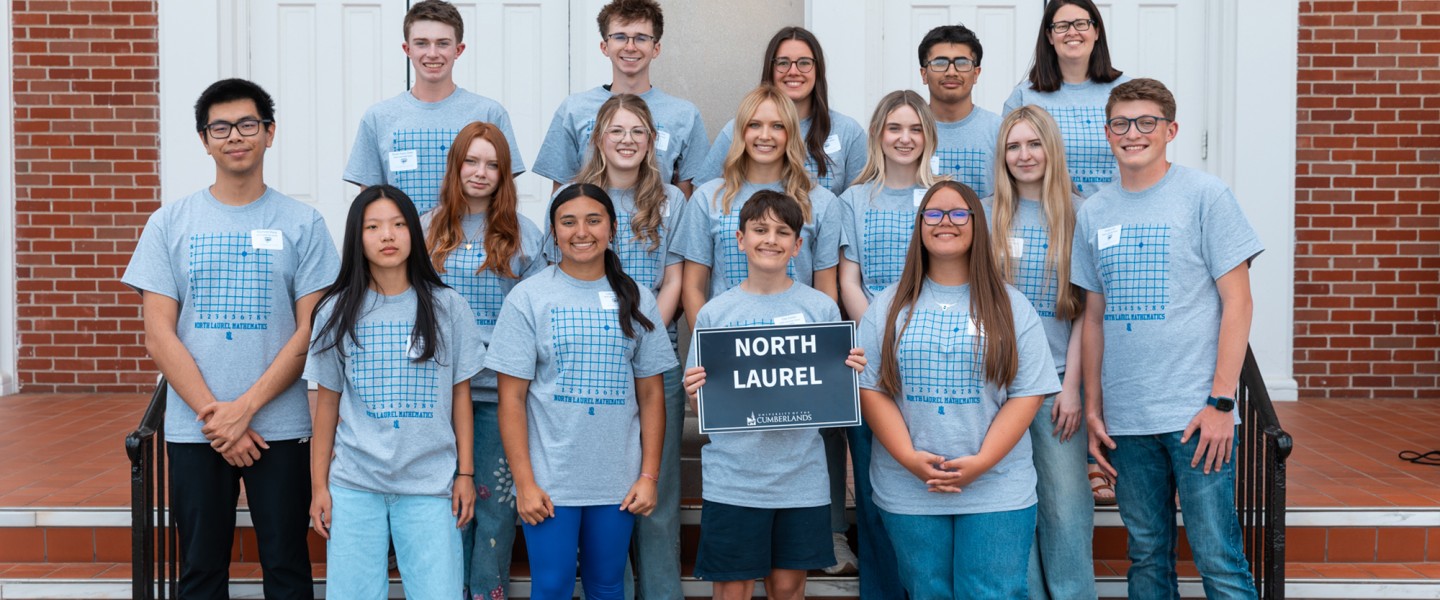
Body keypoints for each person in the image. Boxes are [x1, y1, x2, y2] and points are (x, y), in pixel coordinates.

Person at [122, 78, 338, 600]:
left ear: (269, 133)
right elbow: (158, 334)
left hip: (280, 428)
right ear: (204, 139)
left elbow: (311, 330)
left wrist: (246, 409)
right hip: (197, 429)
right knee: (199, 570)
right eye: (220, 127)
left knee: (287, 567)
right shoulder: (169, 222)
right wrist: (218, 417)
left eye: (247, 124)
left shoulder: (303, 222)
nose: (234, 136)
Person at [1073, 78, 1262, 599]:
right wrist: (1094, 407)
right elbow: (1093, 317)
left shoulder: (1206, 196)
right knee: (1148, 556)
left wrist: (1222, 402)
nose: (1133, 133)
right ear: (1107, 133)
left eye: (1146, 122)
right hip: (1127, 422)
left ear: (1170, 130)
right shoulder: (1093, 212)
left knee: (1218, 558)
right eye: (1121, 123)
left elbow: (1238, 302)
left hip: (1197, 417)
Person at [858, 181, 1060, 598]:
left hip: (997, 489)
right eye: (933, 213)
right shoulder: (886, 305)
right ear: (920, 226)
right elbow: (872, 389)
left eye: (958, 213)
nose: (945, 222)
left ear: (976, 224)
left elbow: (1027, 394)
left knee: (992, 593)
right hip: (908, 488)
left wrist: (982, 462)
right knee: (926, 591)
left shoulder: (1013, 306)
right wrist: (911, 460)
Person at [487, 184, 676, 600]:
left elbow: (651, 397)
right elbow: (512, 400)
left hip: (617, 479)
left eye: (593, 220)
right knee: (551, 586)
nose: (581, 231)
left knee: (608, 585)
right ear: (554, 233)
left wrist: (648, 476)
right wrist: (525, 482)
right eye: (568, 222)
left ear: (612, 228)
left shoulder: (638, 297)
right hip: (550, 481)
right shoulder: (529, 298)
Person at [680, 190, 868, 600]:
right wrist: (696, 392)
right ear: (740, 238)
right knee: (733, 590)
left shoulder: (820, 309)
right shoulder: (716, 314)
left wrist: (846, 376)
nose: (771, 239)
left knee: (788, 588)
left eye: (783, 232)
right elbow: (704, 404)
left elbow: (831, 402)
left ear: (798, 245)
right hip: (733, 480)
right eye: (760, 229)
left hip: (802, 479)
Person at [305, 185, 484, 599]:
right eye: (373, 226)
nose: (387, 235)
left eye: (399, 224)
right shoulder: (335, 311)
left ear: (413, 233)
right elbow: (327, 403)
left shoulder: (448, 306)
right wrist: (319, 487)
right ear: (357, 236)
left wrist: (466, 474)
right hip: (355, 484)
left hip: (430, 484)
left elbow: (461, 397)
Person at [553, 94, 690, 600]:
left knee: (657, 491)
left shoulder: (673, 200)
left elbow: (674, 278)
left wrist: (642, 329)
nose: (627, 140)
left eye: (638, 131)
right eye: (616, 131)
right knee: (608, 490)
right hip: (589, 361)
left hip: (654, 353)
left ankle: (660, 592)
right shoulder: (575, 194)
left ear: (652, 142)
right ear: (598, 139)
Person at [420, 121, 546, 600]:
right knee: (444, 504)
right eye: (471, 161)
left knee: (494, 506)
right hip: (435, 394)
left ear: (505, 173)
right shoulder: (426, 228)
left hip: (499, 396)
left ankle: (485, 592)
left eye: (492, 164)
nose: (481, 172)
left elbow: (540, 316)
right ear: (455, 166)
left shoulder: (525, 235)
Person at [835, 89, 943, 599]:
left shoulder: (946, 195)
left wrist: (916, 333)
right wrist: (884, 334)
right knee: (877, 488)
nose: (905, 138)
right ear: (879, 134)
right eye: (895, 128)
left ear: (928, 136)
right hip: (873, 356)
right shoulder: (854, 200)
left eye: (915, 129)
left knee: (928, 473)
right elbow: (849, 280)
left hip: (937, 355)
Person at [983, 105, 1095, 599]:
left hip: (1055, 387)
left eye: (1034, 144)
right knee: (1009, 513)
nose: (1024, 155)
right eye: (1013, 146)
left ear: (1051, 148)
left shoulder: (1081, 212)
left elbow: (1089, 310)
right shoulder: (983, 214)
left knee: (1065, 510)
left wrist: (1072, 388)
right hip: (993, 391)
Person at [344, 0, 525, 215]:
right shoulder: (378, 117)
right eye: (421, 43)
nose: (432, 53)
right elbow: (371, 201)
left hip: (475, 244)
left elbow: (504, 192)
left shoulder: (489, 113)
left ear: (458, 50)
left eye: (442, 43)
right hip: (406, 246)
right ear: (407, 49)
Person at [533, 0, 708, 197]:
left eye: (641, 38)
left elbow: (686, 199)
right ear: (604, 46)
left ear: (656, 48)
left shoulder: (684, 114)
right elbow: (561, 193)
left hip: (655, 226)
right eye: (620, 37)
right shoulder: (574, 109)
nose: (630, 47)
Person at [697, 27, 866, 198]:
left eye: (804, 63)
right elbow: (704, 195)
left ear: (818, 69)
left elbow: (858, 204)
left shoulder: (848, 132)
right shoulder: (739, 129)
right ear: (770, 68)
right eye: (783, 63)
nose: (793, 72)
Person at [1004, 0, 1129, 197]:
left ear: (1096, 32)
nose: (1072, 32)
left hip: (1113, 216)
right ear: (1050, 36)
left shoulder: (1126, 92)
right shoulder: (1024, 96)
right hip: (1050, 218)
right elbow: (1008, 169)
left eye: (1081, 24)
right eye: (1062, 26)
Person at [917, 25, 1003, 200]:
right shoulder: (907, 131)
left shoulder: (999, 130)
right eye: (939, 63)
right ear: (924, 74)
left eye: (962, 63)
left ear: (976, 73)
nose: (951, 72)